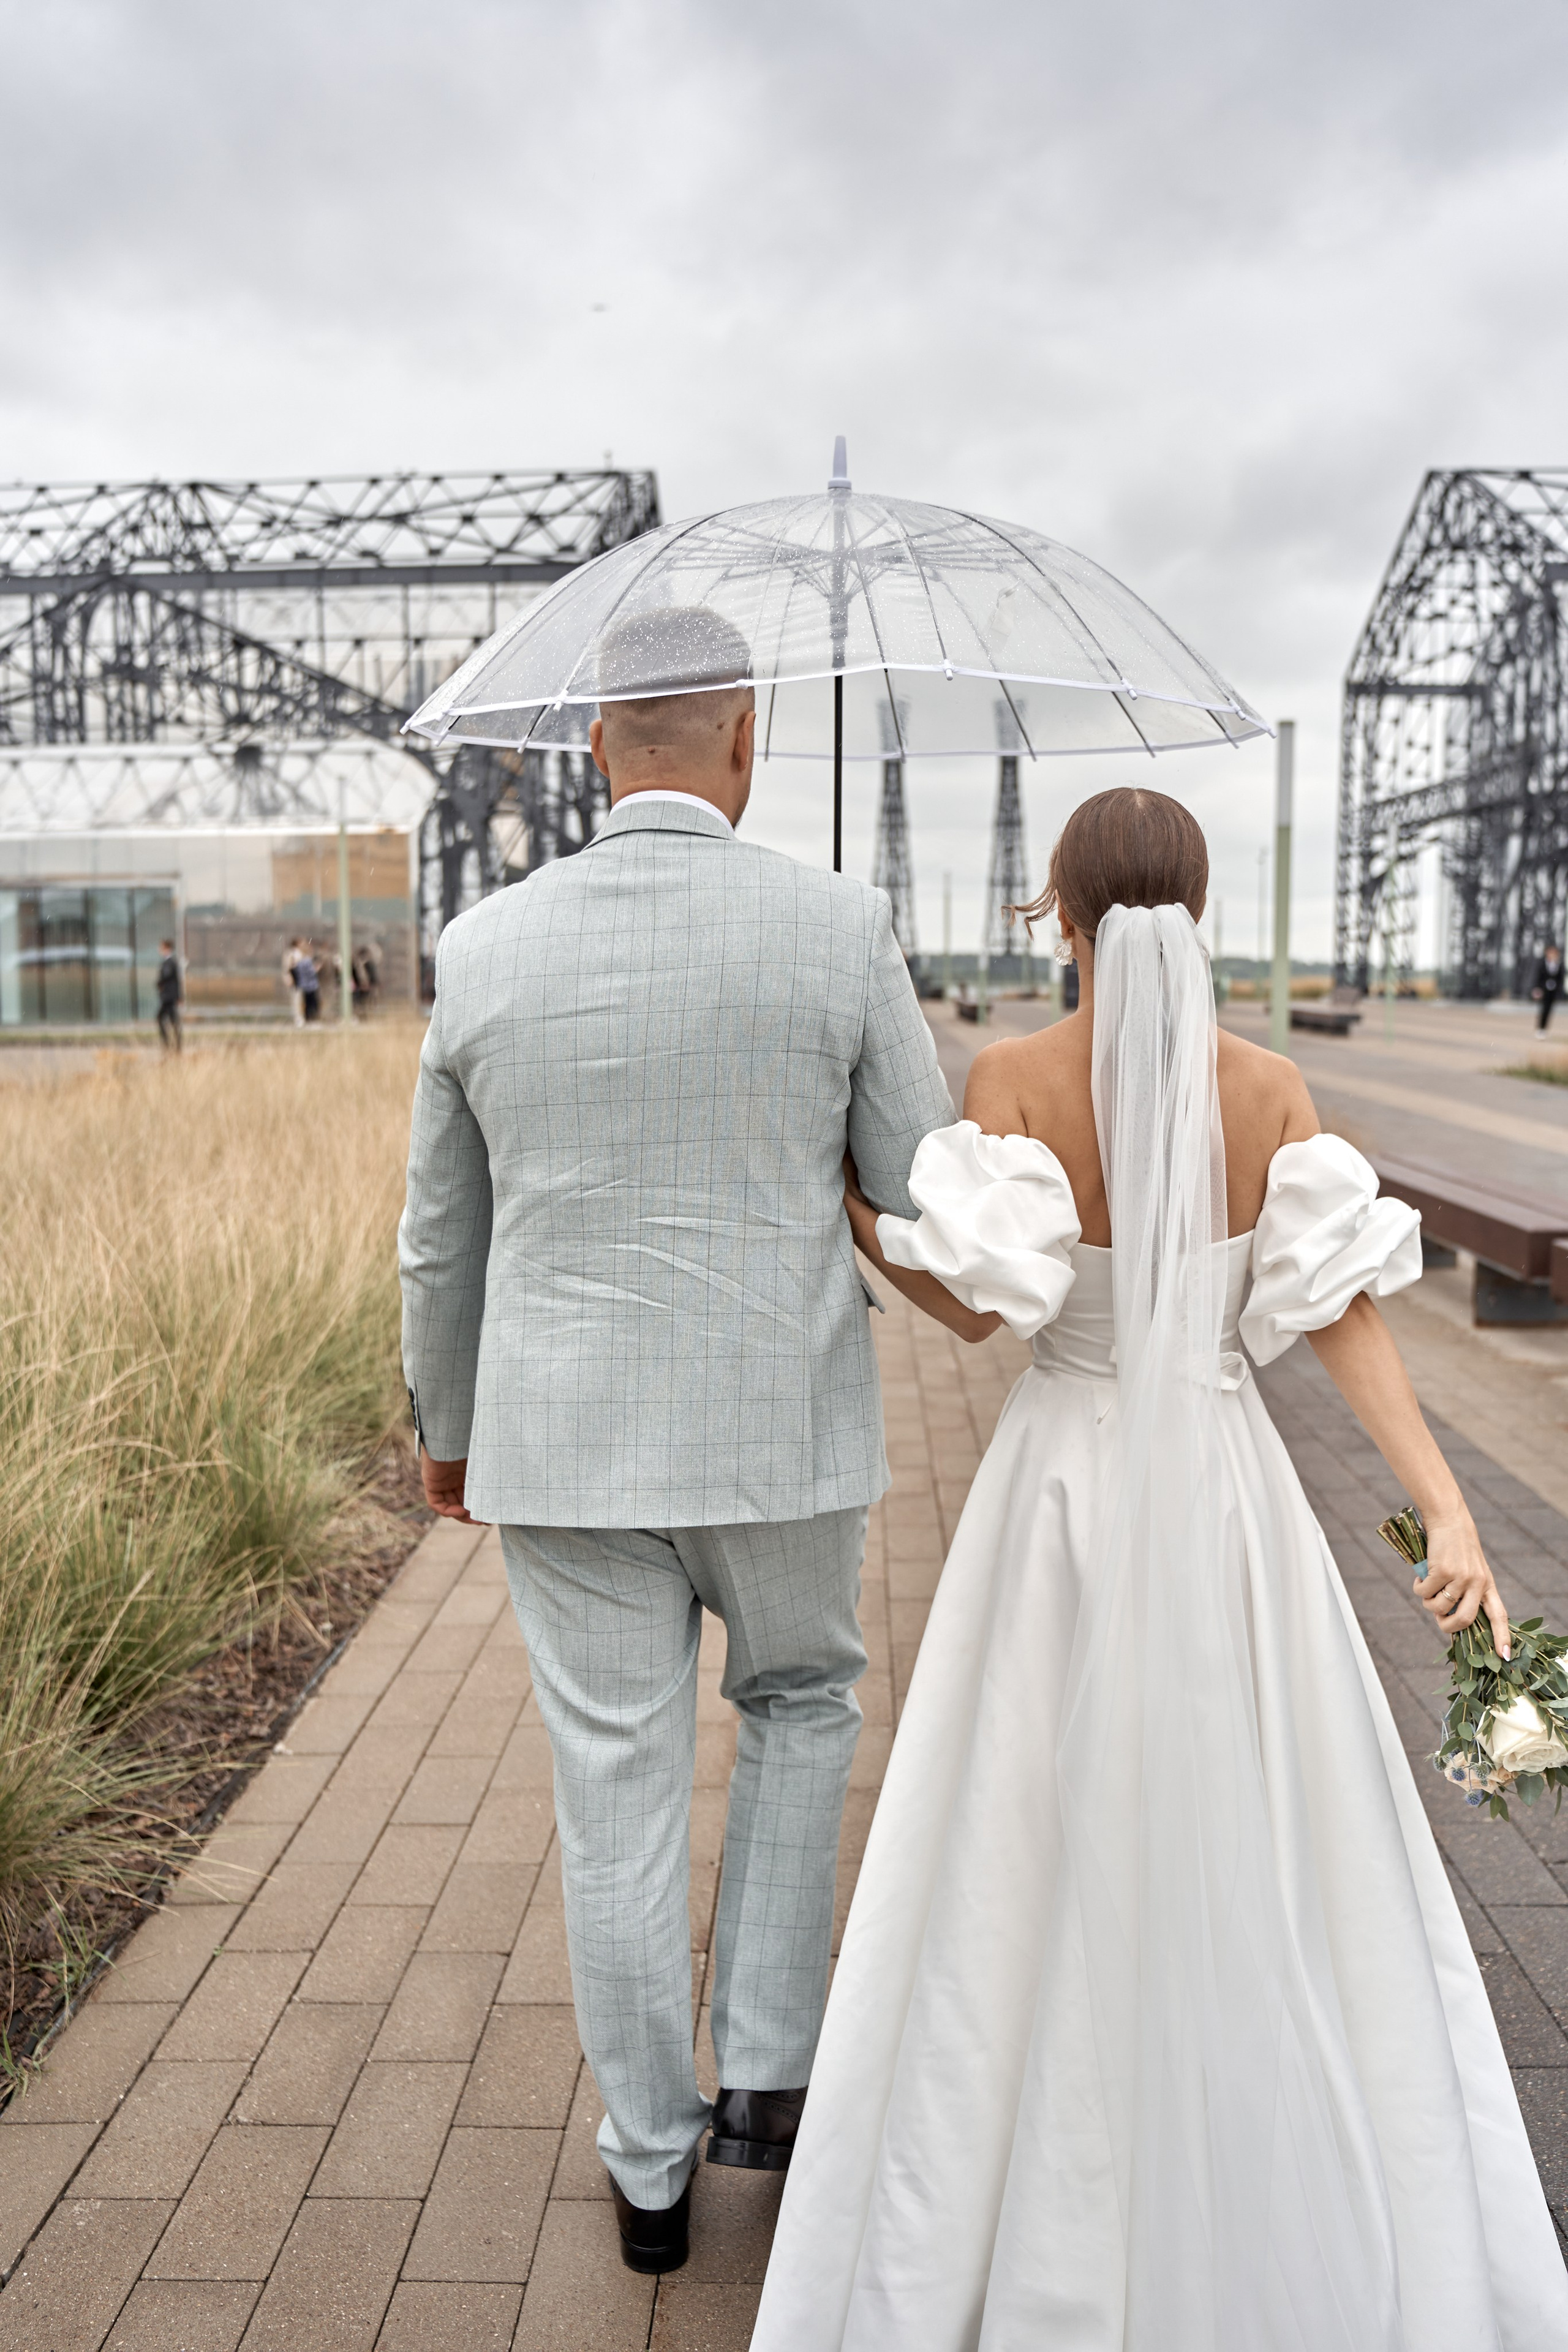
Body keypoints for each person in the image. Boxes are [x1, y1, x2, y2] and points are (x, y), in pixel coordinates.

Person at [753, 788, 1568, 2351]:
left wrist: (864, 1216)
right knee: (1265, 1808)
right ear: (1194, 907)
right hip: (1222, 1489)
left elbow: (983, 1313)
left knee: (1015, 1822)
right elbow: (1337, 1318)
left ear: (1053, 911)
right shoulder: (1267, 1090)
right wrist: (1445, 1504)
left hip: (1058, 1483)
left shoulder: (1008, 1077)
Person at [398, 605, 952, 2278]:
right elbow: (922, 1185)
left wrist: (448, 1428)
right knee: (798, 1708)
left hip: (559, 1447)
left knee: (614, 1788)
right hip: (782, 1425)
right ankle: (769, 2078)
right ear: (744, 742)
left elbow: (442, 1232)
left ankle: (647, 2166)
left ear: (591, 756)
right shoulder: (840, 926)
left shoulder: (484, 949)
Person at [155, 937, 183, 1052]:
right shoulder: (171, 962)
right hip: (170, 997)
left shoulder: (169, 962)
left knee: (164, 1019)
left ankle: (170, 1044)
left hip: (168, 998)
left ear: (166, 948)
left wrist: (159, 983)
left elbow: (167, 976)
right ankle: (174, 1045)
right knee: (172, 1021)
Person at [1531, 939, 1564, 1031]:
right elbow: (1538, 977)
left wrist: (1559, 990)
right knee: (1543, 1008)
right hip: (1543, 989)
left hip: (1553, 990)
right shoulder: (1542, 964)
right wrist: (1537, 989)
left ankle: (1544, 1028)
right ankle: (1541, 1027)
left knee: (1549, 1009)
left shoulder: (1559, 965)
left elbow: (1560, 979)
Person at [282, 937, 306, 1027]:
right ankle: (298, 1018)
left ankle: (300, 1017)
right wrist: (288, 978)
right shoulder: (292, 954)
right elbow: (288, 968)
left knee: (299, 999)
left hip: (300, 979)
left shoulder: (300, 953)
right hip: (295, 979)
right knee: (296, 999)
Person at [295, 944, 321, 1023]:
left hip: (304, 985)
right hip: (312, 986)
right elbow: (311, 972)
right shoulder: (308, 961)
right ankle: (313, 1018)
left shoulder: (299, 962)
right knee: (313, 1003)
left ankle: (307, 1018)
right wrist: (317, 968)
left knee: (306, 1003)